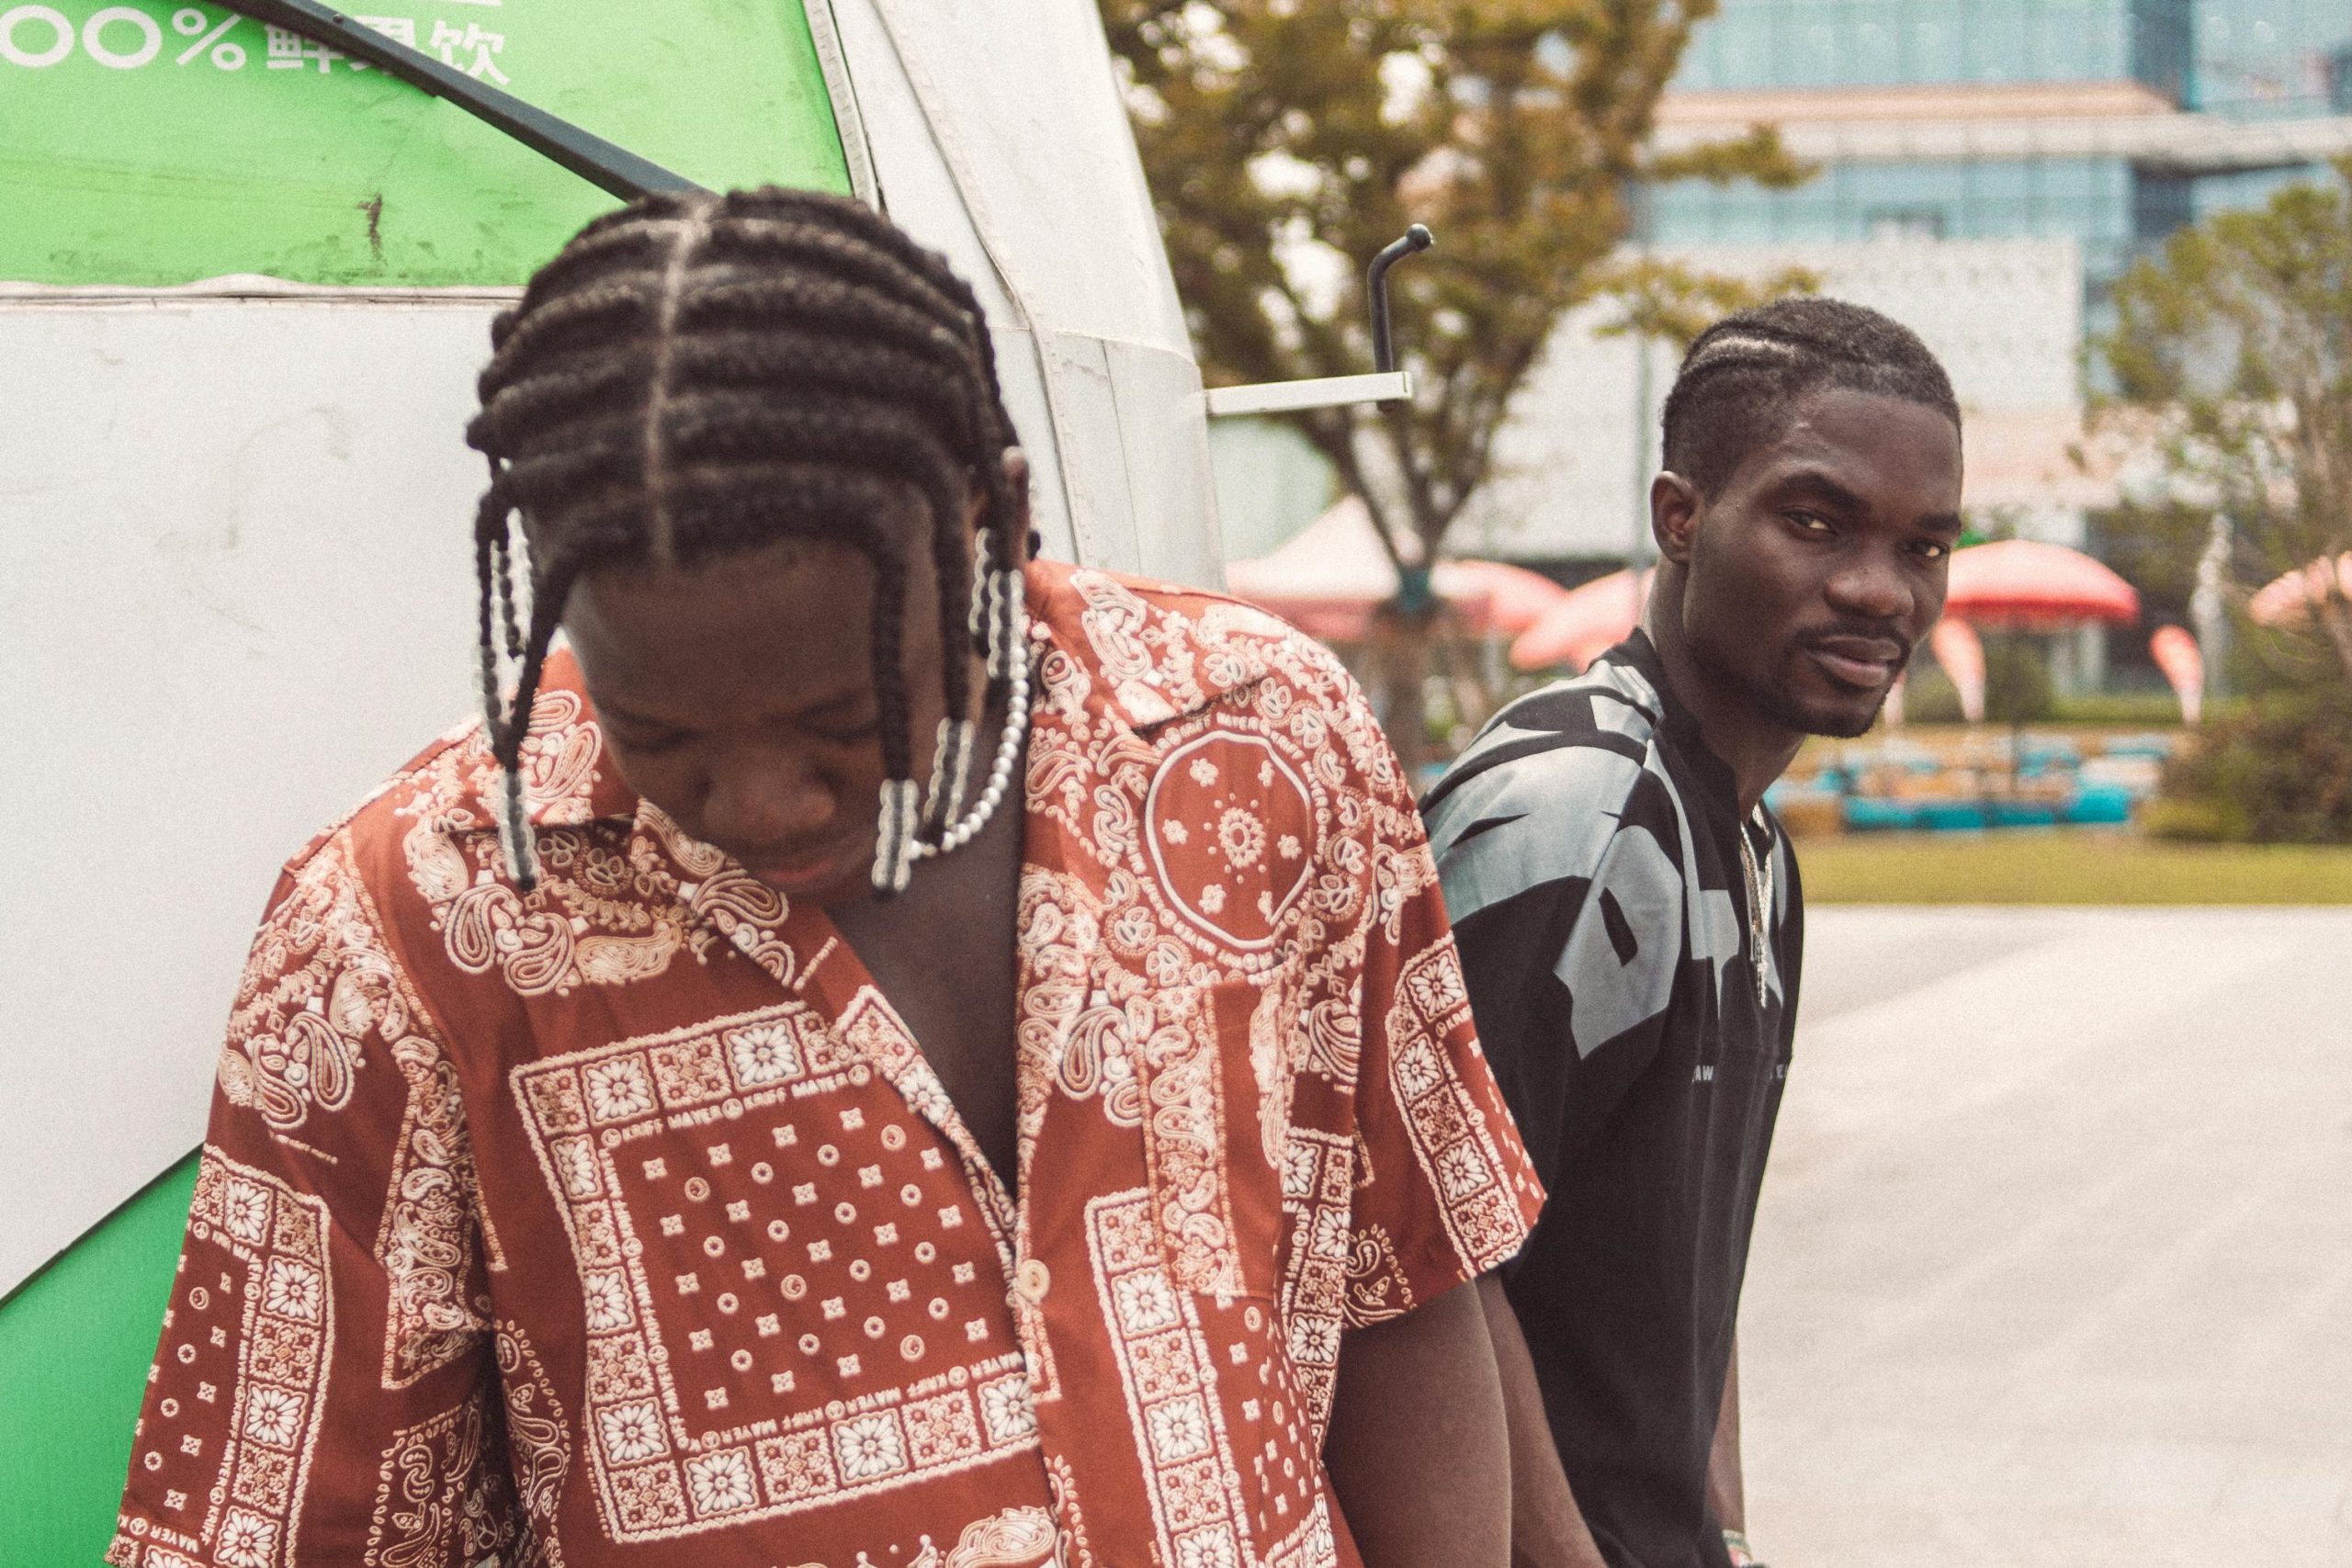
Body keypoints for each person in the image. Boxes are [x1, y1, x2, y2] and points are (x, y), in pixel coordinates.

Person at [107, 188, 1546, 1568]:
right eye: (666, 737)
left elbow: (1403, 1276)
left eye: (846, 720)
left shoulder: (1259, 741)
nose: (762, 806)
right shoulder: (406, 926)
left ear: (992, 517)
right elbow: (286, 1524)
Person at [1424, 299, 1964, 1568]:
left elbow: (1683, 1285)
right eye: (1814, 521)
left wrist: (1722, 1530)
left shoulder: (1750, 842)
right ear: (1681, 517)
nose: (1879, 588)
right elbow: (1424, 1256)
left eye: (1925, 546)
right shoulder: (1577, 819)